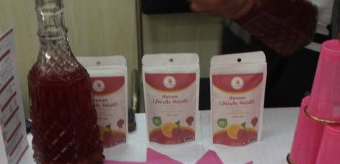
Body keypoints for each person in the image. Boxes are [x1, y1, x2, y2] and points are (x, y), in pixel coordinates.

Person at [142, 1, 338, 107]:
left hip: (310, 51)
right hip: (242, 33)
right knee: (233, 120)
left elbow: (303, 30)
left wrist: (244, 6)